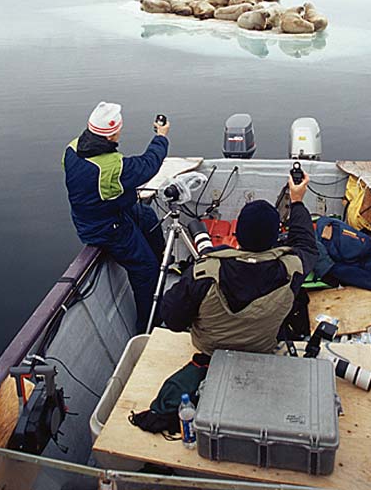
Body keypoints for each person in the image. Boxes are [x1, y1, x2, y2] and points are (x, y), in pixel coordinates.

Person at [160, 172, 318, 355]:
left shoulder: (204, 271)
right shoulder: (292, 269)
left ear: (238, 234)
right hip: (262, 348)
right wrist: (297, 201)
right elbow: (306, 244)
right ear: (276, 237)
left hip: (209, 349)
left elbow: (172, 319)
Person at [63, 102, 170, 332]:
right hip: (105, 227)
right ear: (112, 132)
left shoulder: (72, 148)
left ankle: (163, 261)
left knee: (148, 217)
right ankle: (148, 324)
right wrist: (161, 137)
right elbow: (148, 165)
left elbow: (91, 185)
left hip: (98, 212)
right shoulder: (111, 167)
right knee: (144, 269)